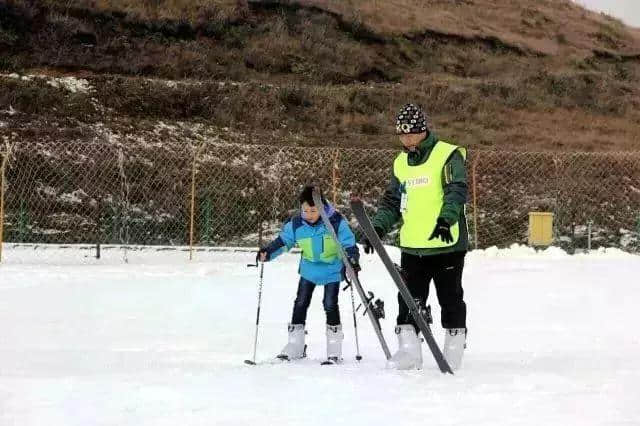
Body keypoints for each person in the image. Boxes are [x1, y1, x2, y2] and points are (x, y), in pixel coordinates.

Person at [361, 104, 469, 370]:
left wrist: (446, 220)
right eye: (402, 135)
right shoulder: (401, 162)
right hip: (412, 245)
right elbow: (392, 202)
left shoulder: (447, 155)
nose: (406, 140)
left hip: (446, 242)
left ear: (423, 131)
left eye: (411, 134)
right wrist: (377, 229)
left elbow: (456, 190)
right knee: (408, 298)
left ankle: (453, 349)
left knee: (450, 297)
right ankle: (409, 351)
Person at [257, 185, 360, 363]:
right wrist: (268, 252)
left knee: (329, 304)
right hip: (309, 269)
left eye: (313, 210)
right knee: (300, 302)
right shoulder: (297, 224)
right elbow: (283, 241)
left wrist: (352, 260)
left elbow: (348, 243)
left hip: (331, 269)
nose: (309, 214)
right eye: (305, 210)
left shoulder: (335, 222)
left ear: (322, 207)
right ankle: (295, 345)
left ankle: (334, 348)